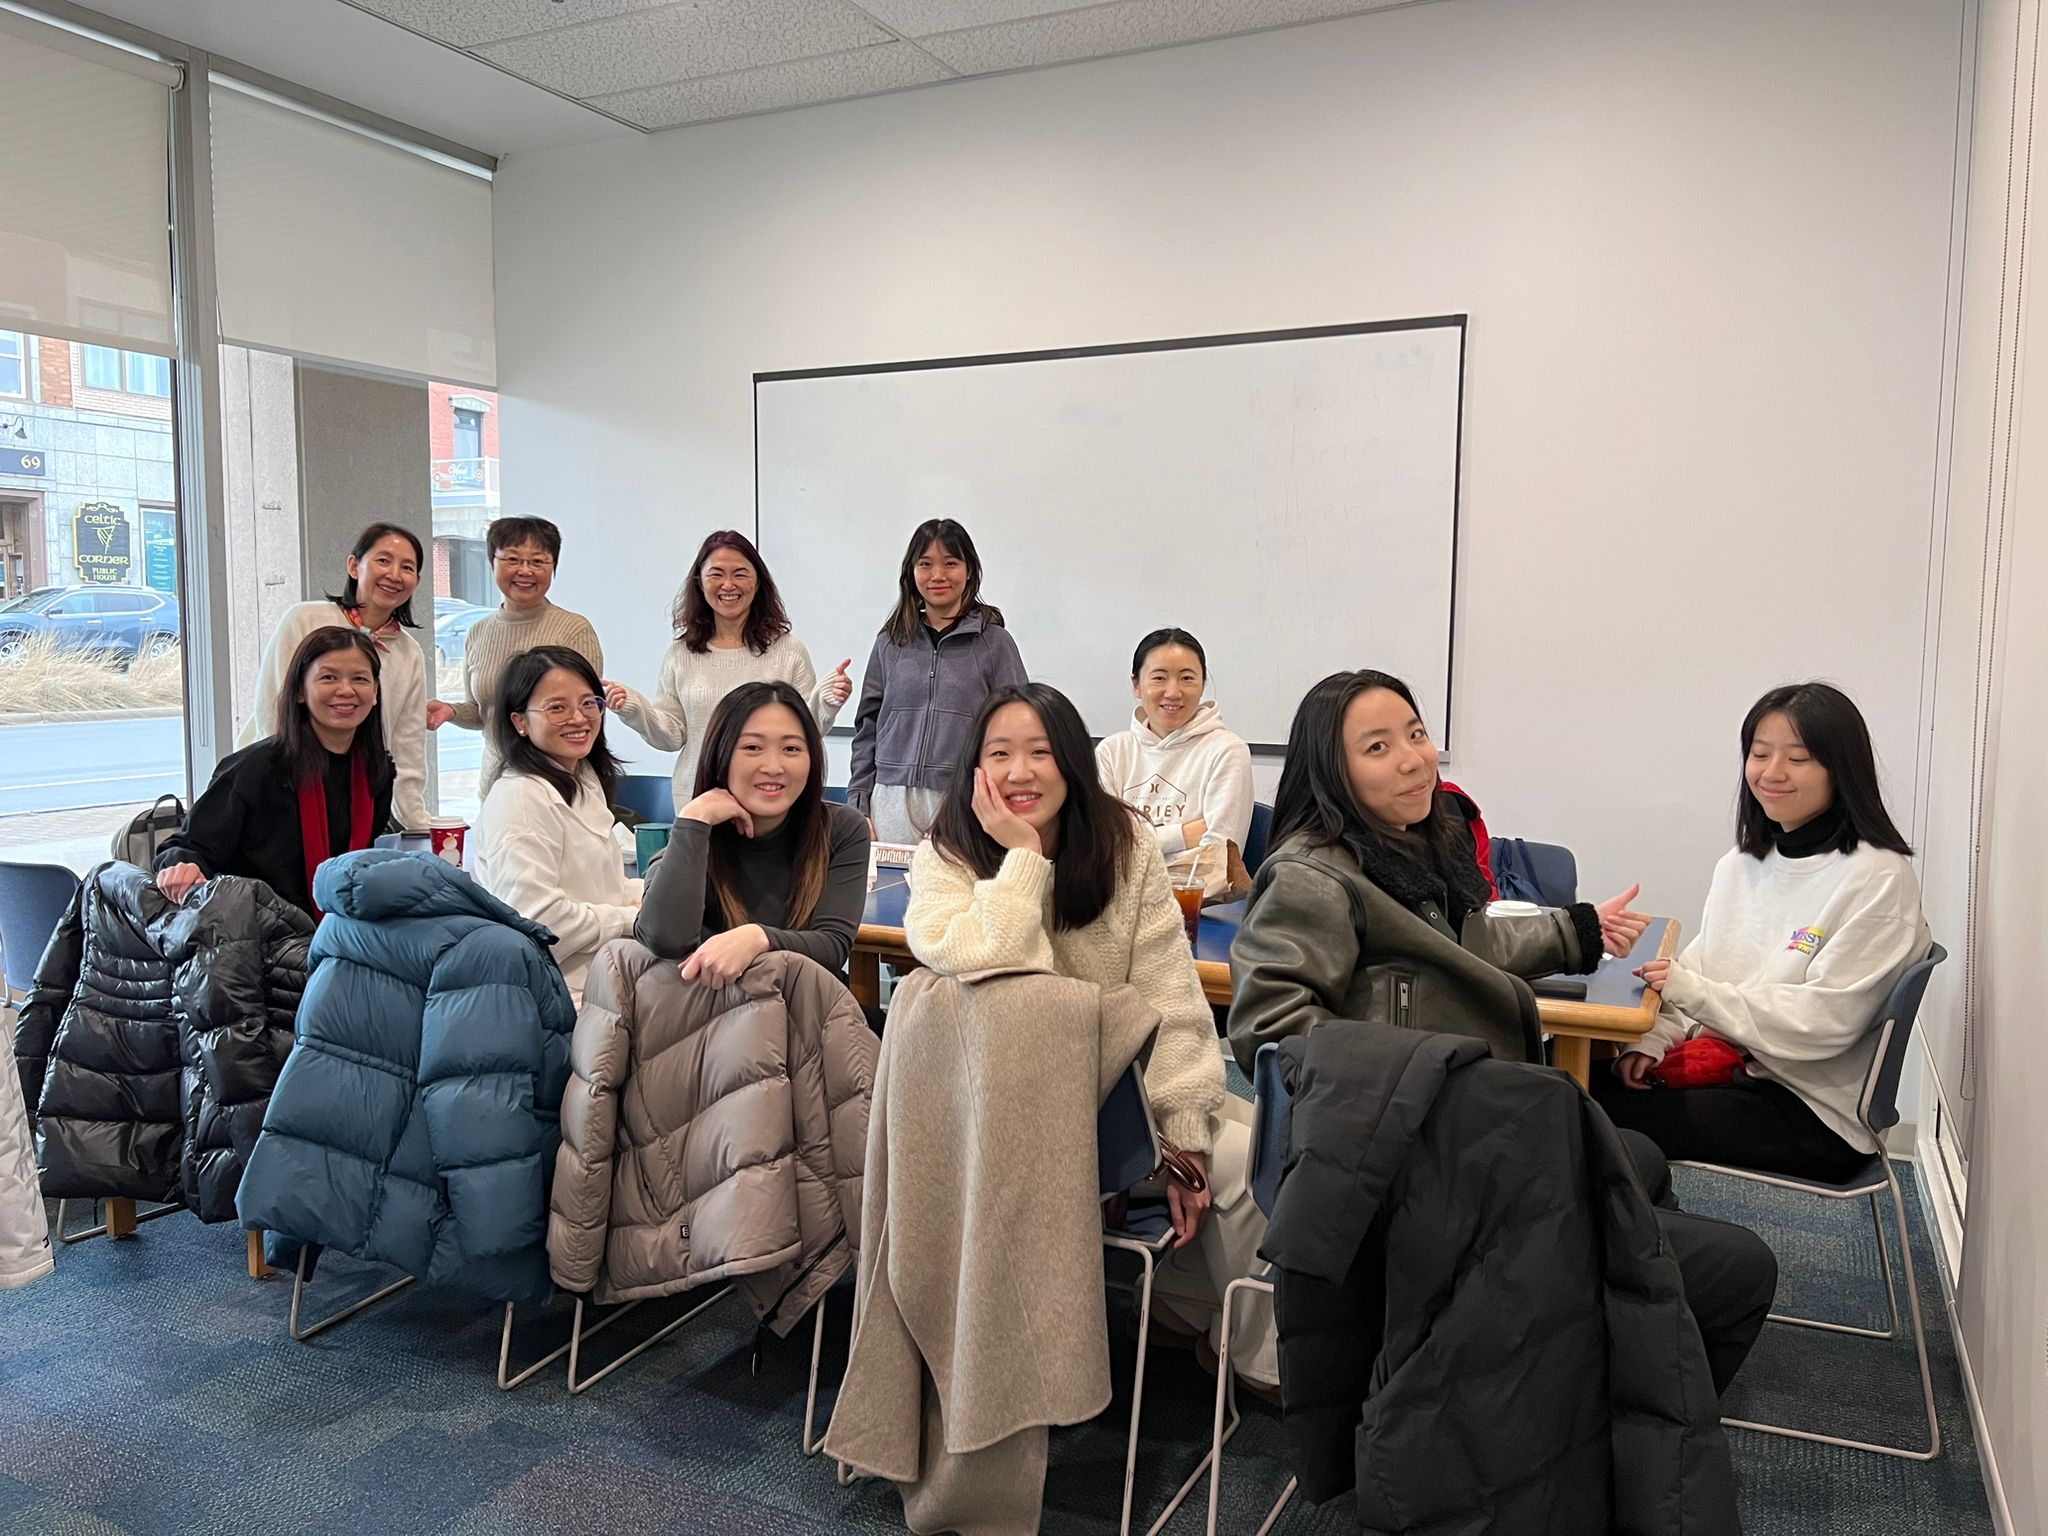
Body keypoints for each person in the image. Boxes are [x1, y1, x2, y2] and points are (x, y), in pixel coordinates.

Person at [1228, 668, 1777, 1396]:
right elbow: (1271, 1027)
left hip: (1475, 1129)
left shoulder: (1405, 850)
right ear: (1331, 770)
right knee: (1739, 1265)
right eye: (1377, 746)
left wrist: (1580, 932)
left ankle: (1571, 1357)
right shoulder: (1313, 876)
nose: (1412, 758)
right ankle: (1573, 1395)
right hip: (1414, 1156)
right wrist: (1420, 1085)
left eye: (1416, 735)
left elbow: (1464, 949)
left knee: (1637, 1161)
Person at [903, 683, 1277, 1390]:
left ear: (1073, 763)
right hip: (1002, 1129)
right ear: (974, 769)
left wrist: (1184, 1136)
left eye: (1041, 753)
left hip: (1120, 1106)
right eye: (1000, 754)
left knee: (1257, 1162)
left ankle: (1248, 1363)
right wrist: (1021, 860)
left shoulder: (1123, 841)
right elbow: (996, 970)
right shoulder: (946, 853)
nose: (1020, 772)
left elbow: (1171, 995)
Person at [1593, 682, 1931, 1182]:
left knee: (1581, 1117)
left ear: (1842, 769)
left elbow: (1827, 1023)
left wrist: (1689, 992)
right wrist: (1653, 1042)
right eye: (1760, 754)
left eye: (1798, 758)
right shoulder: (1742, 865)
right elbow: (1694, 979)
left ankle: (1638, 1252)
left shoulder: (1877, 875)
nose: (1772, 773)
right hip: (1733, 1070)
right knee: (1565, 1086)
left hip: (1811, 1109)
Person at [635, 679, 872, 983]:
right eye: (752, 747)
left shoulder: (842, 828)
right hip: (713, 1018)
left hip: (805, 1011)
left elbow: (832, 947)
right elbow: (664, 941)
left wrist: (757, 938)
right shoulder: (694, 836)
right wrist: (693, 819)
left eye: (791, 748)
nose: (773, 766)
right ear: (720, 755)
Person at [157, 627, 393, 918]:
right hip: (258, 934)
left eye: (360, 679)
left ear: (375, 693)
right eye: (329, 677)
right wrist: (182, 866)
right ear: (299, 692)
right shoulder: (254, 769)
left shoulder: (376, 769)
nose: (346, 690)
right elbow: (187, 846)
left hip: (340, 929)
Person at [605, 530, 851, 806]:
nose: (728, 585)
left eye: (740, 573)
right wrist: (634, 708)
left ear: (758, 583)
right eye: (717, 574)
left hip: (771, 796)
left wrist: (827, 700)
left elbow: (804, 731)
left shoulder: (788, 650)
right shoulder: (680, 652)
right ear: (699, 582)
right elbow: (672, 735)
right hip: (698, 797)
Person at [472, 646, 642, 1001]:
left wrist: (655, 895)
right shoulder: (520, 797)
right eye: (557, 708)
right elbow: (537, 921)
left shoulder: (581, 778)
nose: (579, 718)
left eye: (588, 703)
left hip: (607, 975)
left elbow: (601, 887)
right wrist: (630, 919)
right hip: (560, 995)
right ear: (520, 722)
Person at [242, 522, 431, 831]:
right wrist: (282, 784)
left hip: (353, 795)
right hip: (282, 788)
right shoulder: (305, 619)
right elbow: (273, 707)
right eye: (383, 560)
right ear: (354, 566)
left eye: (407, 567)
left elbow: (407, 742)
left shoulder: (408, 652)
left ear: (417, 581)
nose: (395, 575)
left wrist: (416, 824)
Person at [849, 519, 1028, 845]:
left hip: (961, 796)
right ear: (912, 572)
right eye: (925, 564)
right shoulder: (890, 642)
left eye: (951, 563)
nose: (937, 576)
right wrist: (860, 802)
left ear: (969, 570)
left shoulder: (995, 643)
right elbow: (867, 727)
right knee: (890, 894)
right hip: (890, 798)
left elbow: (1017, 728)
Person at [425, 516, 603, 796]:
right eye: (512, 559)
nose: (525, 571)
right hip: (496, 782)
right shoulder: (479, 632)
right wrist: (453, 711)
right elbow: (486, 712)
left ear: (553, 567)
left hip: (558, 783)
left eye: (537, 561)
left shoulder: (574, 630)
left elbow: (587, 713)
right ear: (492, 563)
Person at [1094, 627, 1254, 902]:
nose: (1173, 692)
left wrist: (1133, 847)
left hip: (1200, 914)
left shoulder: (1227, 750)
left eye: (1187, 678)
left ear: (1203, 685)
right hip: (1117, 908)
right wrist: (1183, 835)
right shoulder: (1112, 752)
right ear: (1136, 684)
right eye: (1159, 678)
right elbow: (1102, 852)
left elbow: (1218, 863)